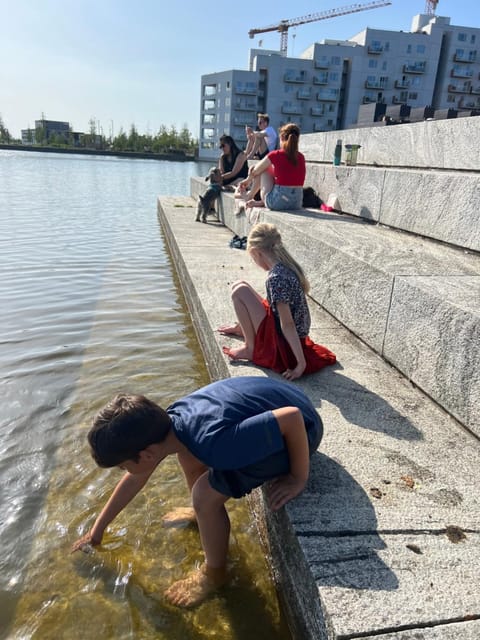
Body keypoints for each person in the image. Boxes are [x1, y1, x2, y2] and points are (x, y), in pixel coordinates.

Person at [71, 376, 322, 608]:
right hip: (289, 397)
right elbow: (136, 478)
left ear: (147, 454)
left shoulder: (215, 442)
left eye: (124, 465)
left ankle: (215, 573)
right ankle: (201, 513)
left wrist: (297, 477)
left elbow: (292, 418)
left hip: (304, 431)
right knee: (188, 454)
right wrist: (98, 530)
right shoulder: (170, 424)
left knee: (204, 493)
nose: (126, 471)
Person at [219, 222, 336, 380]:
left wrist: (301, 364)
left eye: (253, 258)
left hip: (284, 344)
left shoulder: (276, 278)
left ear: (256, 252)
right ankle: (243, 328)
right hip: (281, 327)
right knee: (240, 284)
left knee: (239, 292)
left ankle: (250, 348)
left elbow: (287, 324)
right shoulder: (284, 267)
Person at [237, 123, 305, 211]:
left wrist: (248, 180)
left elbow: (256, 171)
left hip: (276, 203)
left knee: (263, 169)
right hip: (297, 203)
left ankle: (249, 196)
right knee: (268, 169)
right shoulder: (301, 157)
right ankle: (259, 202)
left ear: (282, 138)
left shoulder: (276, 155)